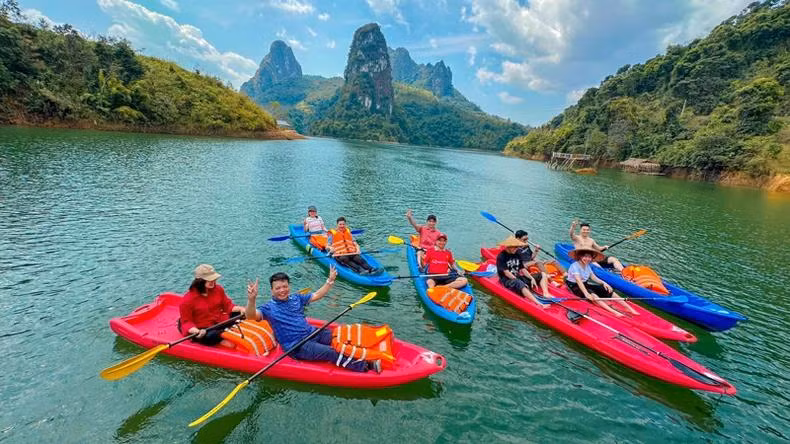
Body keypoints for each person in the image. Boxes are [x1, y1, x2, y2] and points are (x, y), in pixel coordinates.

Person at [245, 266, 379, 373]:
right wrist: (252, 299)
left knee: (338, 335)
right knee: (330, 352)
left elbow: (317, 295)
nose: (282, 290)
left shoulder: (296, 298)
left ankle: (365, 347)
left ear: (289, 286)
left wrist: (330, 281)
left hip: (312, 332)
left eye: (285, 286)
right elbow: (250, 316)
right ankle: (365, 366)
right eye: (278, 288)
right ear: (272, 290)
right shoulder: (268, 308)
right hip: (296, 346)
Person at [179, 264, 247, 346]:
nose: (213, 282)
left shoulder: (218, 289)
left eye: (214, 279)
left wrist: (241, 309)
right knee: (210, 336)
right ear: (200, 281)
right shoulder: (187, 300)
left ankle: (225, 333)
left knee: (241, 314)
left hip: (218, 321)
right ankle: (223, 336)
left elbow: (228, 306)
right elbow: (186, 322)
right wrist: (196, 331)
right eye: (210, 280)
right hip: (202, 328)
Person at [565, 248, 638, 317]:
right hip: (574, 286)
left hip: (585, 284)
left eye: (589, 257)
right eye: (585, 256)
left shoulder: (587, 266)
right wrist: (586, 294)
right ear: (580, 256)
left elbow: (593, 277)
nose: (587, 259)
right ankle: (614, 312)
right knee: (593, 295)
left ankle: (629, 308)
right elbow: (578, 281)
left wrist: (604, 283)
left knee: (608, 290)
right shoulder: (574, 266)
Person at [495, 236, 547, 309]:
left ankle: (546, 293)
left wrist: (531, 278)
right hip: (506, 280)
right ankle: (539, 304)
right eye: (515, 247)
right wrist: (520, 281)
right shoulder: (501, 256)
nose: (517, 249)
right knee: (519, 282)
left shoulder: (517, 254)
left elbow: (522, 268)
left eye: (517, 247)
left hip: (517, 277)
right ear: (508, 247)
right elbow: (506, 273)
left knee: (542, 274)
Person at [512, 230, 553, 297]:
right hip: (523, 265)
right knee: (537, 262)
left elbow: (532, 257)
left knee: (552, 261)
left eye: (527, 239)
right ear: (518, 239)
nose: (526, 240)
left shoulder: (526, 246)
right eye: (524, 239)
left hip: (530, 262)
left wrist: (536, 250)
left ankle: (565, 275)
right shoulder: (514, 249)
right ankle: (550, 279)